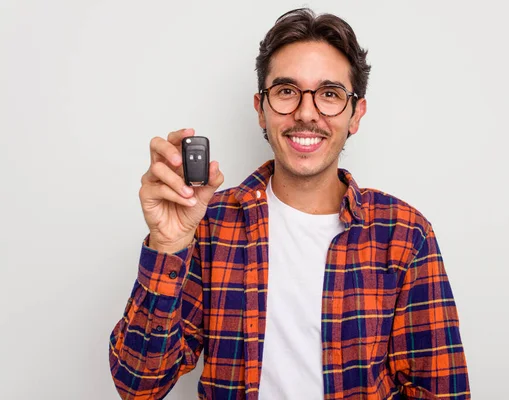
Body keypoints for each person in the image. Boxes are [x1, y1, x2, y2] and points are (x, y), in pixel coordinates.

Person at [109, 8, 470, 400]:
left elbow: (439, 391)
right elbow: (138, 385)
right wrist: (167, 245)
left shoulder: (404, 234)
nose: (305, 112)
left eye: (329, 94)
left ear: (356, 114)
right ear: (260, 109)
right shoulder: (210, 225)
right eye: (286, 91)